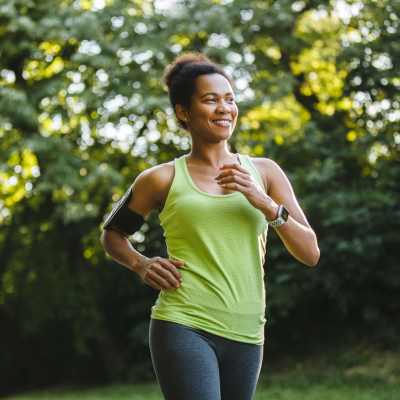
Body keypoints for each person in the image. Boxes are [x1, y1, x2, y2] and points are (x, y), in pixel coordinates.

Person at [100, 52, 320, 400]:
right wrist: (140, 264)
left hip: (248, 330)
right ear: (183, 112)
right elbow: (113, 235)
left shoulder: (265, 172)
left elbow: (309, 252)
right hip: (184, 323)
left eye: (230, 99)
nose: (224, 108)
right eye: (210, 100)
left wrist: (262, 200)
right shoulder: (160, 178)